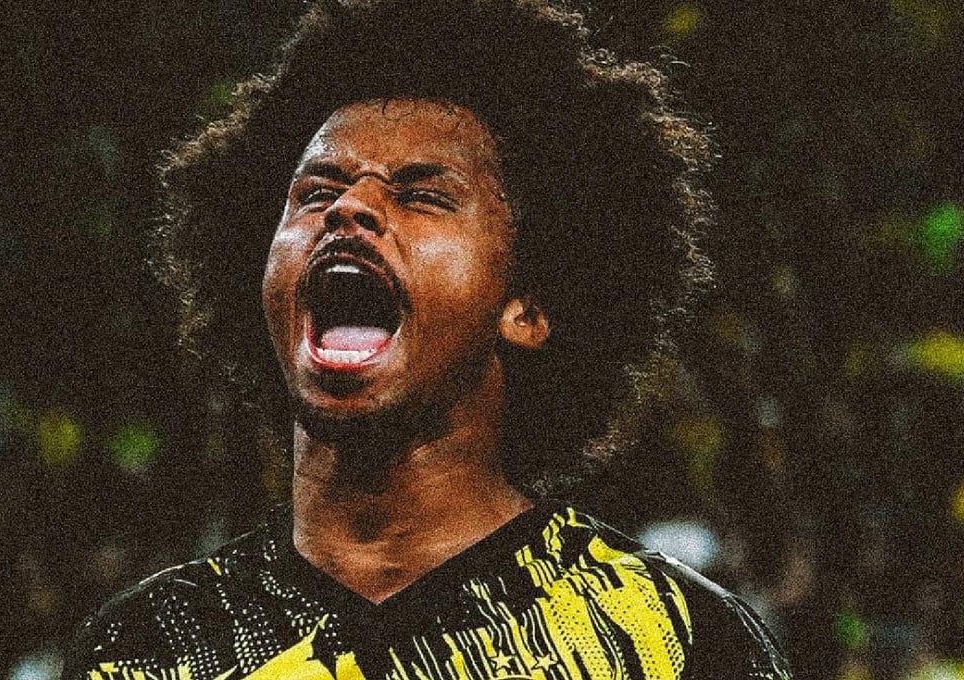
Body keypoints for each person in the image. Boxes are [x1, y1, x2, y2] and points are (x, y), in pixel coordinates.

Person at [64, 1, 793, 678]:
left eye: (420, 195)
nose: (350, 206)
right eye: (316, 192)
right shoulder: (146, 649)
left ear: (526, 307)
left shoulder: (675, 641)